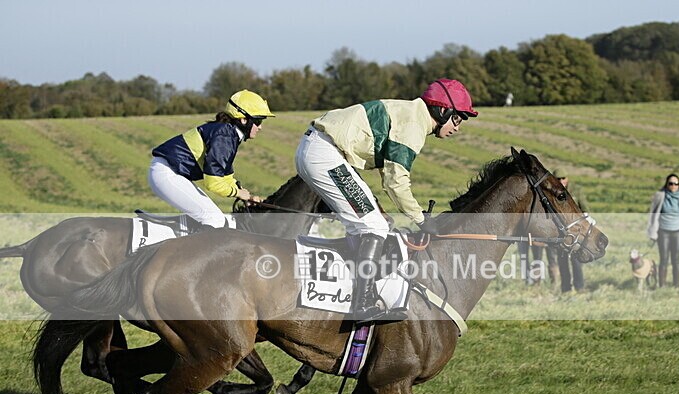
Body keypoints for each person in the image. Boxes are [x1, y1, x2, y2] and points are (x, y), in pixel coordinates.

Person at [295, 78, 478, 322]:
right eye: (457, 118)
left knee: (375, 222)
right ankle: (363, 301)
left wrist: (381, 207)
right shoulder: (413, 124)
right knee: (373, 226)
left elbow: (387, 175)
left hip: (322, 149)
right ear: (442, 110)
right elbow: (396, 181)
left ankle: (347, 290)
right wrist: (422, 220)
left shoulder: (411, 114)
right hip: (325, 153)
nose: (458, 127)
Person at [149, 89, 274, 229]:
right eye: (258, 121)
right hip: (168, 174)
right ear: (243, 120)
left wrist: (246, 195)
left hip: (171, 173)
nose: (260, 127)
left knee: (215, 218)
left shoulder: (229, 134)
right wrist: (239, 193)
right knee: (214, 220)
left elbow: (225, 177)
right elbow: (213, 182)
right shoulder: (225, 135)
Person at [647, 173, 679, 287]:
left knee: (676, 259)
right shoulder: (660, 196)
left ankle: (676, 285)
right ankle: (662, 285)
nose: (673, 186)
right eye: (671, 183)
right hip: (663, 231)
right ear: (667, 184)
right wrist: (652, 231)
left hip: (677, 232)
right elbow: (653, 214)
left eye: (676, 183)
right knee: (664, 259)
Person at [552, 168, 589, 293]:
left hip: (575, 230)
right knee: (562, 260)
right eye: (558, 179)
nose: (561, 181)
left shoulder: (576, 190)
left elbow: (585, 209)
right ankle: (565, 288)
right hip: (560, 231)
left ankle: (580, 287)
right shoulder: (551, 191)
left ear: (567, 178)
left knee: (575, 259)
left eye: (563, 178)